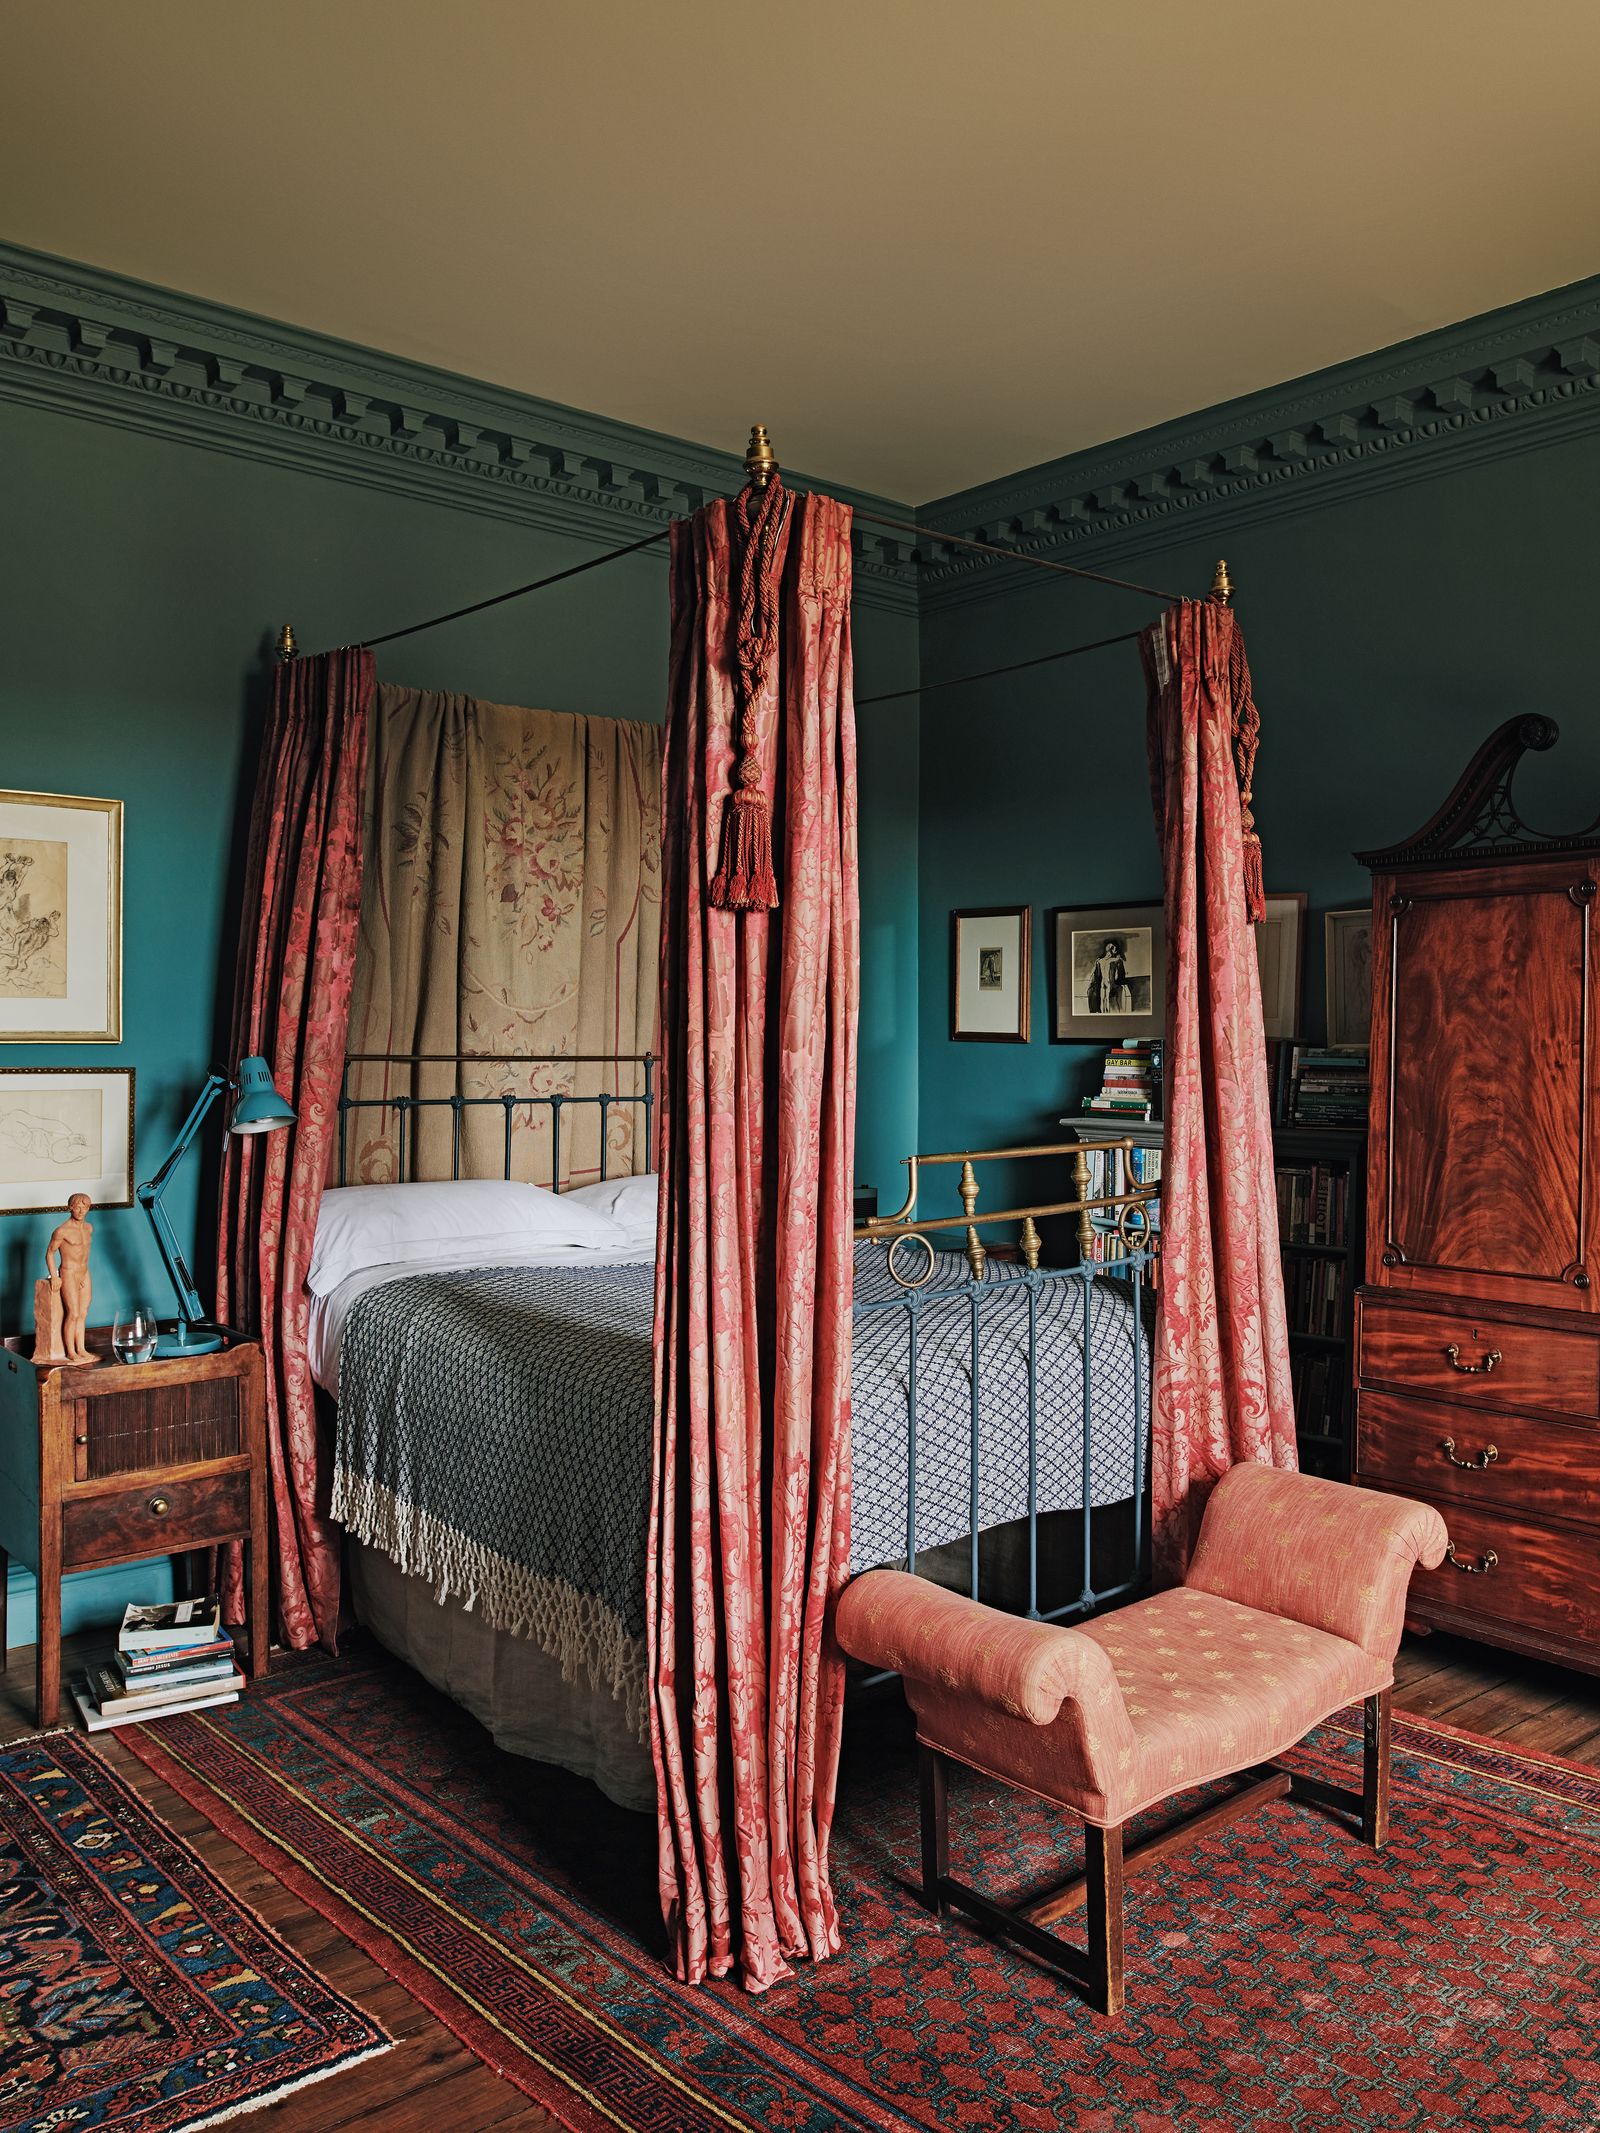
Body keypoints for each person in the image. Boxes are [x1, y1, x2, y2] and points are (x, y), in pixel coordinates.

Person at [44, 1193, 95, 1365]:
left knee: (83, 1313)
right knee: (72, 1313)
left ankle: (81, 1349)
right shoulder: (62, 1230)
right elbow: (50, 1253)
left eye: (85, 1207)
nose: (81, 1211)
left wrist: (83, 1273)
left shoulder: (89, 1228)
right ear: (70, 1207)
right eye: (77, 1207)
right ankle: (71, 1352)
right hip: (69, 1272)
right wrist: (55, 1275)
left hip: (84, 1272)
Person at [1093, 937, 1130, 1017]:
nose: (1114, 949)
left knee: (1104, 1000)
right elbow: (1118, 976)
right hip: (1112, 984)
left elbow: (1097, 975)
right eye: (1113, 948)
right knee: (1111, 1003)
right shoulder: (1116, 960)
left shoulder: (1100, 961)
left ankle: (1105, 1015)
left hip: (1104, 983)